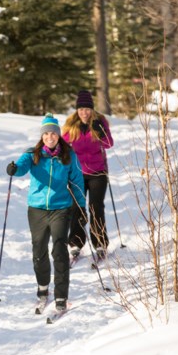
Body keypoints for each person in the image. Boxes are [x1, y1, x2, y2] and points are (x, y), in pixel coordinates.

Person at [7, 114, 86, 312]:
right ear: (42, 137)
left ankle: (61, 296)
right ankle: (43, 288)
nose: (49, 137)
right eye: (46, 134)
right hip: (37, 209)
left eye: (53, 133)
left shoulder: (69, 156)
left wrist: (81, 204)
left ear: (58, 135)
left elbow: (76, 181)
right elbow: (21, 168)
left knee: (59, 250)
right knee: (39, 251)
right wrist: (14, 169)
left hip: (61, 208)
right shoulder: (32, 154)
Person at [62, 90, 114, 261]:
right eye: (81, 109)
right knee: (76, 207)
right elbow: (61, 146)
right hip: (77, 174)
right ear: (77, 110)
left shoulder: (100, 122)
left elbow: (108, 144)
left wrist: (101, 132)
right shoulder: (71, 126)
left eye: (87, 109)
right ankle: (76, 243)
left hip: (98, 173)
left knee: (96, 207)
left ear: (92, 110)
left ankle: (99, 243)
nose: (84, 112)